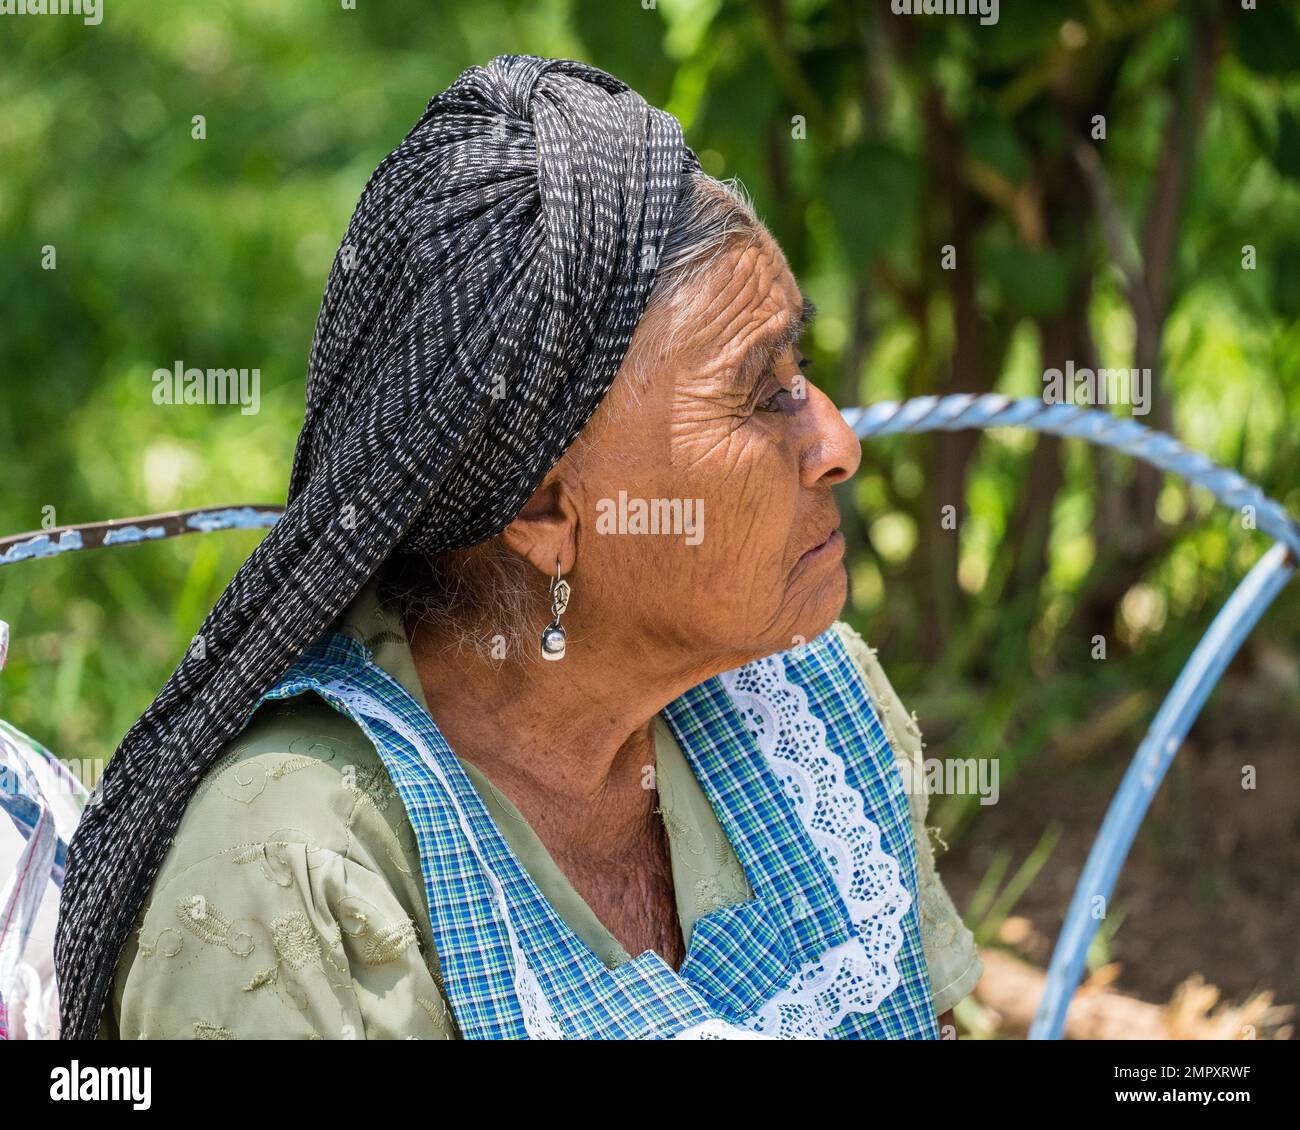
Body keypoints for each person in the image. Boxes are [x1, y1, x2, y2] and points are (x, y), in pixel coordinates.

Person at [57, 54, 980, 1040]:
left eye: (805, 368)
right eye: (761, 394)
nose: (836, 442)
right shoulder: (294, 878)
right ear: (544, 511)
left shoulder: (806, 709)